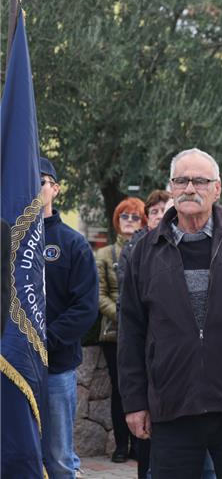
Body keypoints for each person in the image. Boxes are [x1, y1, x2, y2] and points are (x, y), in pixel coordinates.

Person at [118, 148, 222, 478]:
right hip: (172, 406)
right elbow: (131, 331)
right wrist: (135, 402)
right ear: (170, 187)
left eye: (199, 180)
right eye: (181, 181)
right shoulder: (145, 251)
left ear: (217, 188)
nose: (190, 188)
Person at [39, 157, 100, 479]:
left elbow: (85, 306)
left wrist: (45, 339)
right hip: (11, 363)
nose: (33, 187)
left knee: (59, 457)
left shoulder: (73, 243)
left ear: (56, 189)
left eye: (41, 181)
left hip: (55, 366)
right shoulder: (8, 239)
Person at [114, 189, 170, 479]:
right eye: (155, 211)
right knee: (147, 438)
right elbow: (129, 302)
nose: (160, 215)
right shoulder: (135, 249)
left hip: (173, 357)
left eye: (165, 210)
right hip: (145, 348)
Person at [96, 197, 146, 463]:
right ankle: (120, 445)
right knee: (119, 390)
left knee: (141, 389)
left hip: (142, 333)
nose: (129, 221)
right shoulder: (103, 254)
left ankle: (140, 444)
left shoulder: (146, 249)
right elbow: (99, 294)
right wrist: (125, 317)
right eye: (124, 216)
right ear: (117, 220)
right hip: (114, 333)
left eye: (135, 217)